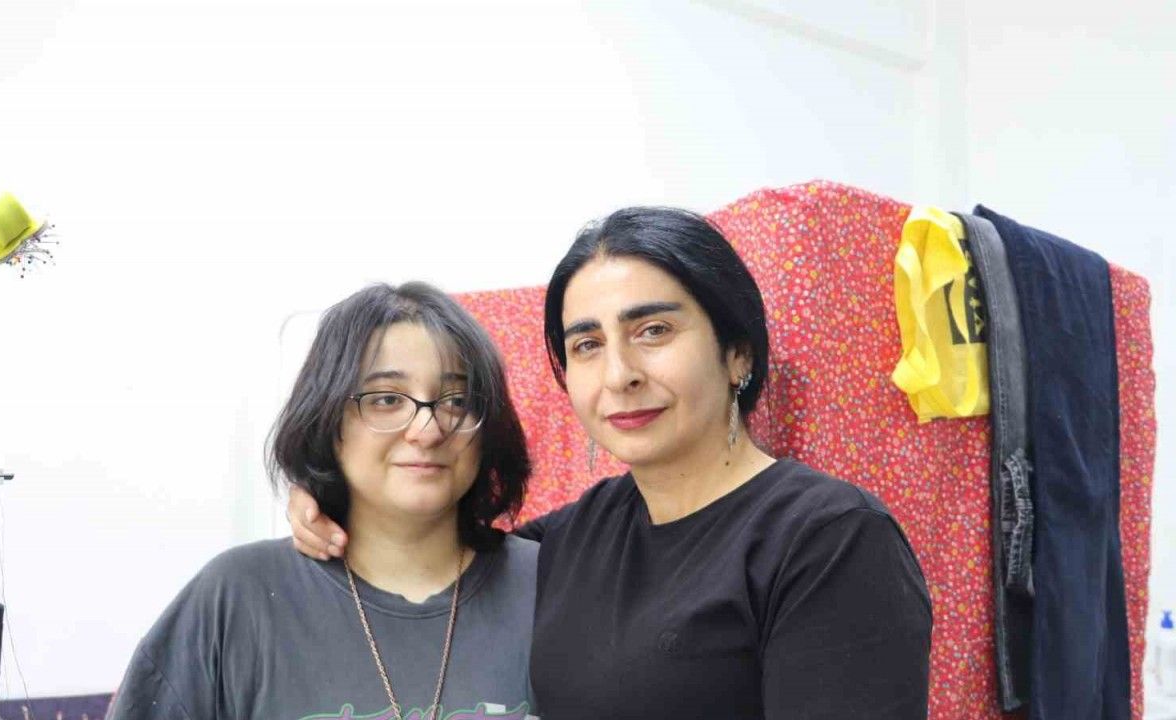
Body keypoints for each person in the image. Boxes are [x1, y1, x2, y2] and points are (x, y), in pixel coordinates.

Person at [290, 207, 934, 719]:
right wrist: (329, 496)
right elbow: (429, 553)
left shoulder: (829, 538)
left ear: (737, 352)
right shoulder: (569, 539)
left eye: (654, 331)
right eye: (588, 345)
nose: (619, 374)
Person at [110, 282, 539, 720]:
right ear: (327, 418)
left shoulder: (552, 586)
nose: (428, 430)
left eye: (457, 401)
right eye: (387, 399)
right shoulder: (238, 597)